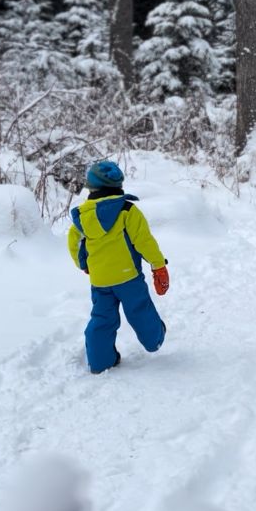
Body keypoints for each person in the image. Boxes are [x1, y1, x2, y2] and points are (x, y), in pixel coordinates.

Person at [67, 160, 170, 374]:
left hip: (100, 280)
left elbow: (75, 245)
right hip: (128, 277)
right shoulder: (127, 211)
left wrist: (84, 264)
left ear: (91, 187)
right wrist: (158, 266)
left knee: (102, 319)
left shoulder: (82, 217)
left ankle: (100, 361)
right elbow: (144, 241)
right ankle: (154, 339)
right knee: (139, 309)